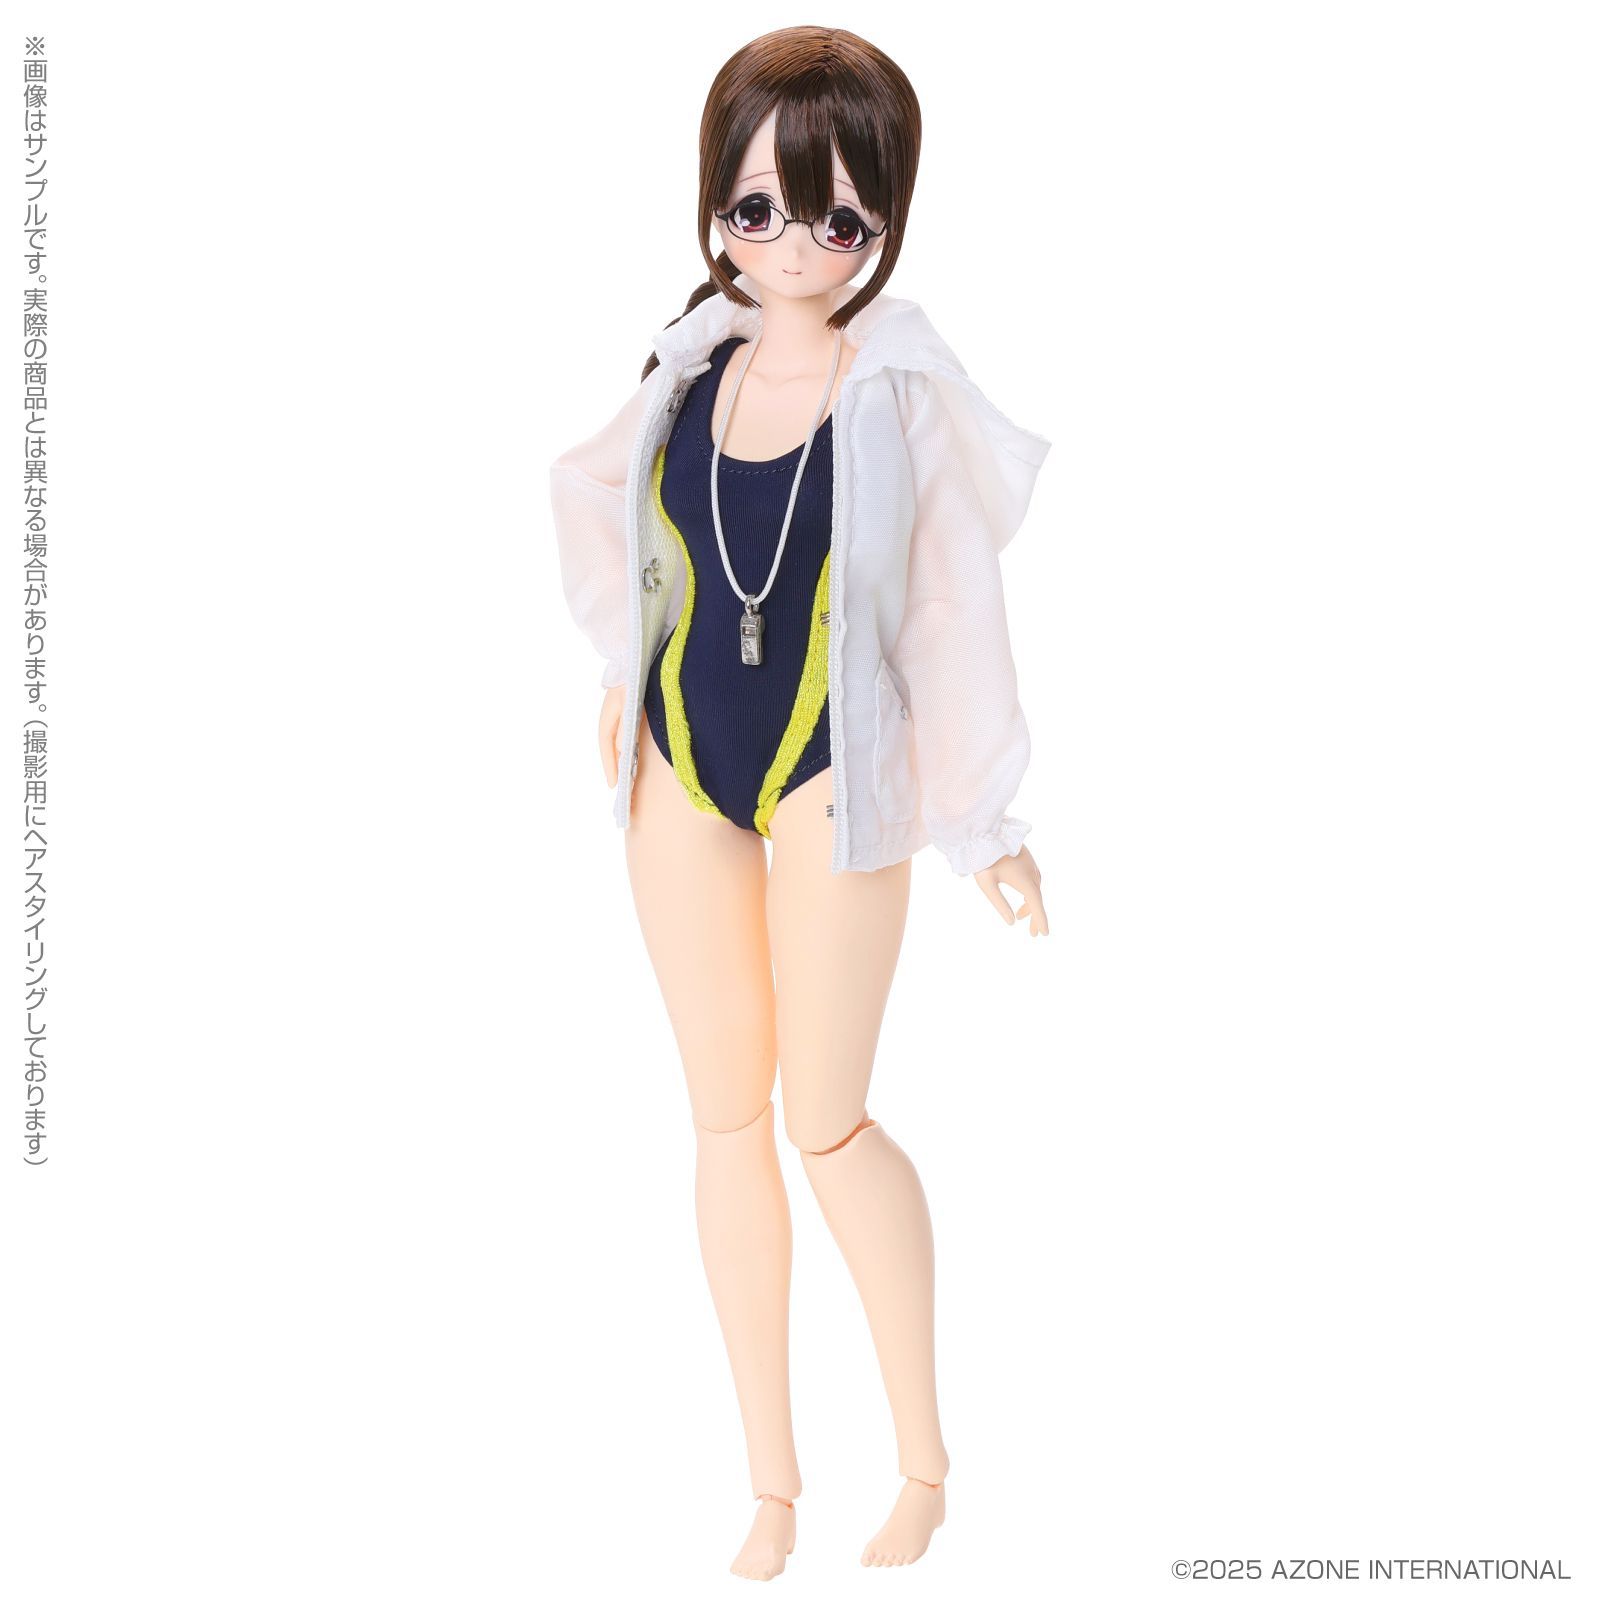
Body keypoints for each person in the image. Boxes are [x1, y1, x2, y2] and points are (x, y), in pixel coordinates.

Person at [549, 25, 1052, 1580]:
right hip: (680, 772)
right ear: (715, 203)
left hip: (835, 769)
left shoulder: (894, 390)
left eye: (835, 218)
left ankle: (924, 1462)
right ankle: (771, 1485)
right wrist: (627, 667)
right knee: (723, 1121)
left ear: (882, 222)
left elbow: (951, 612)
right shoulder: (685, 367)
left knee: (825, 1124)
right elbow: (608, 507)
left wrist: (987, 821)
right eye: (757, 207)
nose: (789, 246)